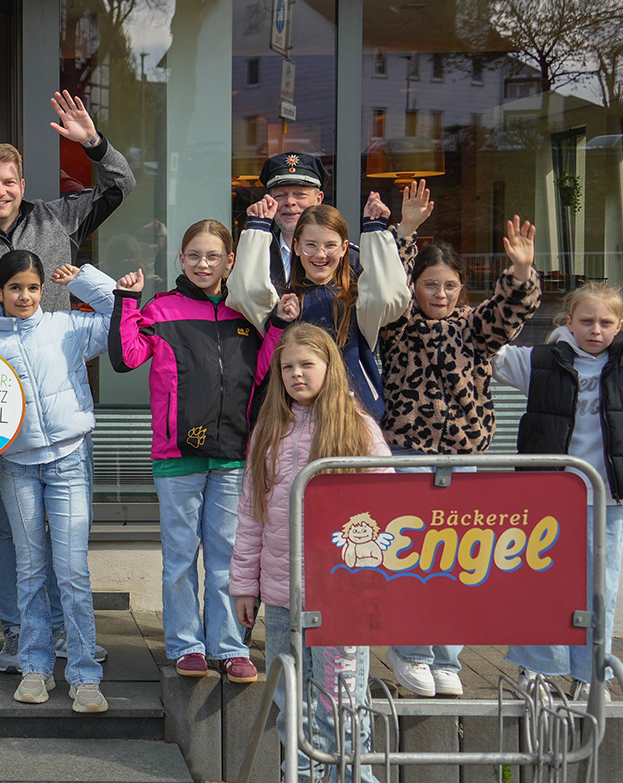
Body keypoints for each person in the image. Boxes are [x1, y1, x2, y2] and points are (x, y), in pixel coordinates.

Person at [0, 90, 135, 672]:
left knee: (66, 534)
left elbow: (120, 186)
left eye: (8, 182)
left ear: (21, 184)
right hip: (0, 405)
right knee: (7, 528)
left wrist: (92, 143)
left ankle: (67, 633)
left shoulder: (57, 217)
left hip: (60, 396)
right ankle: (19, 631)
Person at [496, 275, 623, 697]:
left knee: (599, 590)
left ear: (620, 325)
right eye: (586, 321)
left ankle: (590, 675)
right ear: (569, 322)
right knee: (542, 581)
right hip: (550, 496)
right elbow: (487, 350)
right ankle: (536, 669)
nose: (595, 330)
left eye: (606, 322)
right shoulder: (540, 362)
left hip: (608, 498)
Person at [376, 200, 542, 698]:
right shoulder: (398, 323)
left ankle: (447, 658)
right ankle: (410, 651)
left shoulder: (475, 326)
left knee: (458, 561)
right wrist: (405, 232)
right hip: (408, 453)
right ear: (415, 286)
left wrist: (521, 270)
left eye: (449, 285)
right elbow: (385, 283)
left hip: (464, 459)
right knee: (412, 557)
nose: (441, 294)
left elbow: (510, 311)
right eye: (430, 284)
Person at [109, 220, 267, 684]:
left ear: (230, 262)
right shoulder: (161, 309)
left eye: (213, 256)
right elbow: (125, 358)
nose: (203, 264)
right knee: (180, 557)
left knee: (228, 556)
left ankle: (230, 646)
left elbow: (266, 369)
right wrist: (126, 301)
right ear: (181, 259)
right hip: (177, 454)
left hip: (233, 452)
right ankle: (185, 645)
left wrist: (277, 324)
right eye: (194, 255)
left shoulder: (245, 311)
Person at [232, 323, 389, 782]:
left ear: (329, 367)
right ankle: (299, 777)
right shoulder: (269, 429)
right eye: (287, 367)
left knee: (341, 701)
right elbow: (251, 514)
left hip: (341, 597)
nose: (296, 374)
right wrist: (244, 586)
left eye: (307, 364)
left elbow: (387, 504)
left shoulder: (357, 426)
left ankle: (353, 776)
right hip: (283, 597)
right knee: (291, 701)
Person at [0, 251, 123, 714]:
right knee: (31, 570)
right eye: (15, 288)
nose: (25, 296)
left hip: (68, 460)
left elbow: (120, 315)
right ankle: (35, 669)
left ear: (44, 289)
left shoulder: (67, 326)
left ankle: (85, 676)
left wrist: (83, 280)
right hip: (16, 467)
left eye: (33, 287)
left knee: (73, 570)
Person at [229, 193, 410, 420]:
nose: (320, 254)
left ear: (344, 248)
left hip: (354, 415)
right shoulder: (285, 302)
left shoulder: (357, 302)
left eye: (330, 245)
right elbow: (245, 293)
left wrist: (375, 231)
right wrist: (257, 228)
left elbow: (389, 295)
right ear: (296, 246)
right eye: (311, 245)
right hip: (296, 419)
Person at [254, 152, 338, 287]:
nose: (290, 202)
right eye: (280, 195)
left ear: (318, 199)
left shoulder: (344, 257)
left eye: (300, 194)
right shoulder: (257, 253)